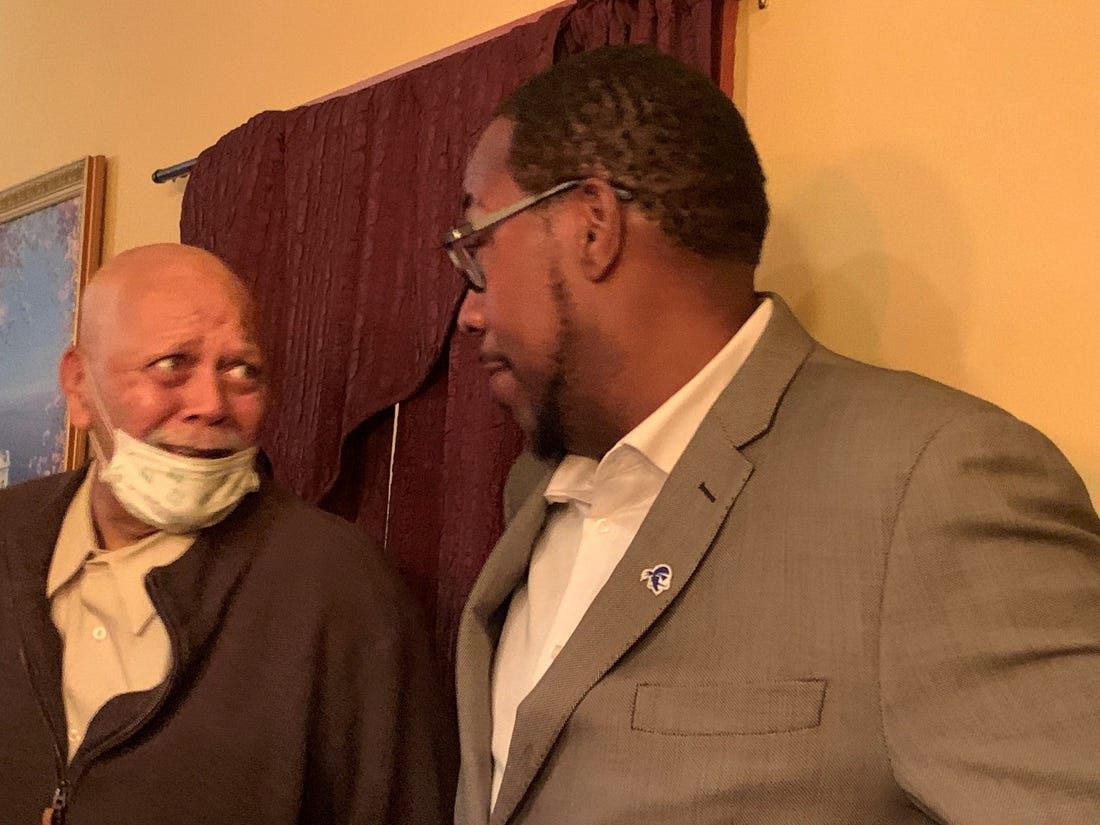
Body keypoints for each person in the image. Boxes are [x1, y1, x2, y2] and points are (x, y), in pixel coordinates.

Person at [445, 45, 1100, 825]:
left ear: (592, 225)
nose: (469, 311)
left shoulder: (932, 487)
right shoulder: (536, 493)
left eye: (478, 247)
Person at [0, 243, 455, 825]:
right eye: (172, 365)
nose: (212, 404)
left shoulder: (339, 589)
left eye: (242, 371)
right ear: (80, 386)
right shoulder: (9, 540)